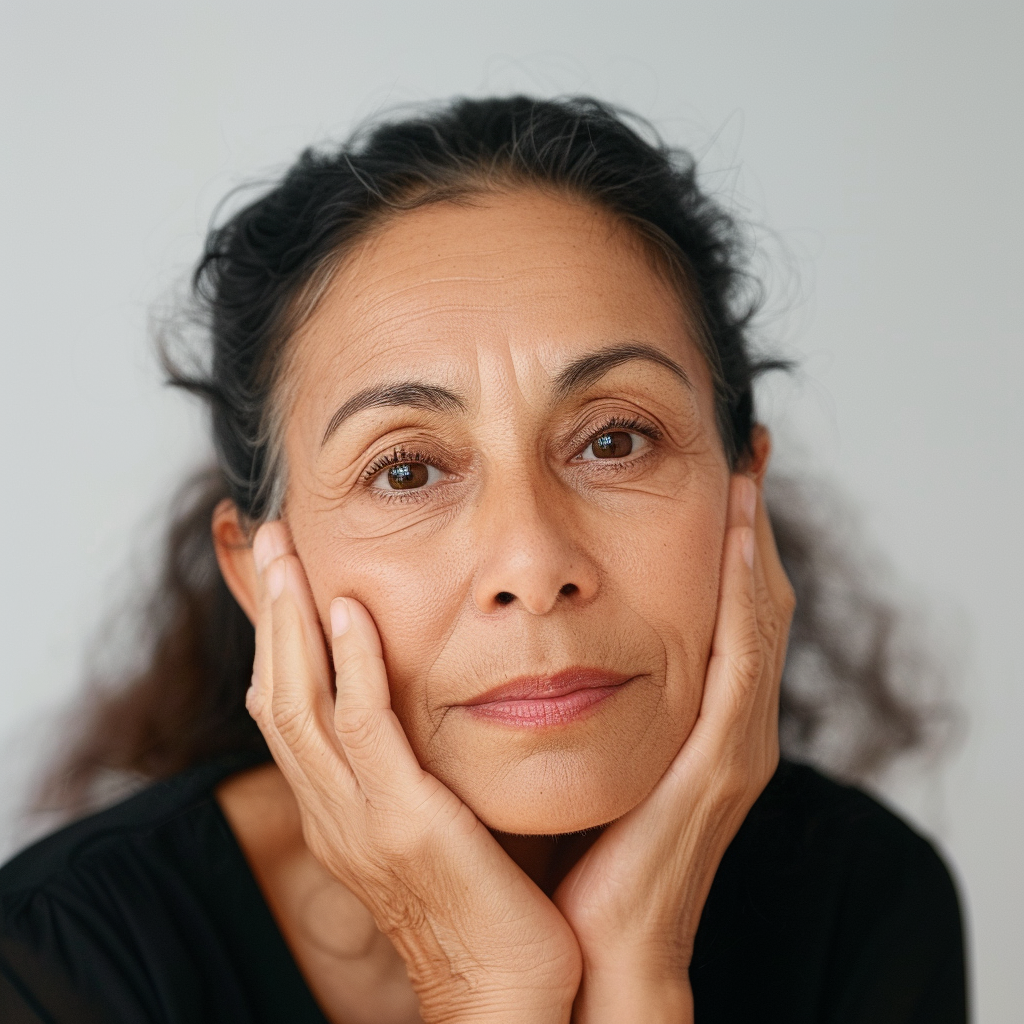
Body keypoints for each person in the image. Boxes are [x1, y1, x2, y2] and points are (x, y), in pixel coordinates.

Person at [0, 96, 966, 1023]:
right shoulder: (56, 965)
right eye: (408, 468)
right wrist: (488, 991)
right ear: (260, 573)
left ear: (740, 491)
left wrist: (644, 967)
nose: (534, 564)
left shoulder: (864, 905)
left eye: (615, 441)